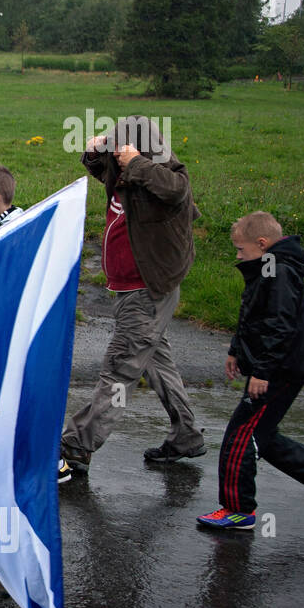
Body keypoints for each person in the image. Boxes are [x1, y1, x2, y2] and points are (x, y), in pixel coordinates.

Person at [59, 116, 204, 482]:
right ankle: (186, 435)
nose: (116, 156)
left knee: (122, 366)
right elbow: (104, 173)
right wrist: (93, 153)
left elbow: (175, 190)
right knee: (156, 361)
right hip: (132, 288)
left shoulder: (165, 177)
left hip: (146, 290)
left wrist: (136, 161)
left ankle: (79, 443)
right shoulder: (128, 175)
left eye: (120, 148)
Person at [197, 212, 304, 529]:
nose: (238, 256)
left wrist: (262, 372)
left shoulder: (279, 271)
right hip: (275, 367)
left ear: (262, 244)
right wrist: (236, 350)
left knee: (241, 437)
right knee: (262, 437)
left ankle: (239, 509)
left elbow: (281, 327)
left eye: (241, 249)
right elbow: (251, 315)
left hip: (280, 371)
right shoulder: (267, 267)